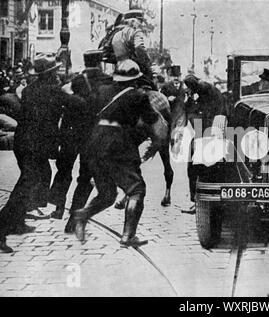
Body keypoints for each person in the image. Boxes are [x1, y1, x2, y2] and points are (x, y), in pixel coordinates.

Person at [0, 54, 85, 253]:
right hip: (33, 146)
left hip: (23, 142)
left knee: (39, 177)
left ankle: (18, 221)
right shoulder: (54, 92)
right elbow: (78, 104)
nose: (57, 74)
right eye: (54, 72)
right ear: (47, 75)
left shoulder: (30, 90)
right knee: (28, 184)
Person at [72, 59, 159, 247]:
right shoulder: (138, 95)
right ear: (135, 79)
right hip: (117, 143)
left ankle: (82, 214)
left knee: (107, 194)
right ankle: (128, 236)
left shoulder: (101, 90)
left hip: (94, 142)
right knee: (136, 189)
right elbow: (151, 118)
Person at [49, 50, 113, 221]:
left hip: (72, 133)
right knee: (85, 176)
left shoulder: (76, 80)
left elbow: (67, 106)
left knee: (64, 170)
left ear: (85, 63)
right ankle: (75, 215)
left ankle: (58, 207)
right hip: (93, 135)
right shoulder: (107, 80)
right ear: (100, 63)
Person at [182, 74, 227, 214]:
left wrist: (189, 98)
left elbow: (196, 115)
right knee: (196, 168)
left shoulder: (205, 90)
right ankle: (198, 201)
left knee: (198, 169)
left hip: (208, 135)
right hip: (205, 134)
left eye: (189, 88)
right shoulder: (206, 91)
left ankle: (200, 203)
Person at [111, 9, 153, 81]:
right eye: (140, 21)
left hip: (119, 69)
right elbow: (139, 47)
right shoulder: (136, 32)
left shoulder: (117, 34)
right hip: (133, 68)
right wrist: (147, 62)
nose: (141, 24)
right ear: (133, 21)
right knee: (150, 81)